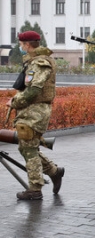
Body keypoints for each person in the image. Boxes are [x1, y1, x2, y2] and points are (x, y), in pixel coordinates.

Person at [6, 31, 65, 200]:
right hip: (31, 110)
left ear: (27, 45)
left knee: (28, 147)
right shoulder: (33, 61)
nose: (21, 47)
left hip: (36, 111)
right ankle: (54, 172)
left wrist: (15, 101)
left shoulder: (40, 62)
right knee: (28, 146)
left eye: (22, 44)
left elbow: (34, 90)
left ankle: (35, 188)